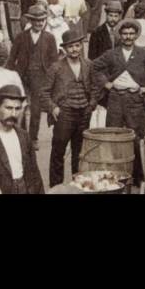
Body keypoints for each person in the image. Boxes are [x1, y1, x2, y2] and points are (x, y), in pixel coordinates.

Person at [91, 18, 145, 186]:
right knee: (114, 136)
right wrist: (106, 84)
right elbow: (94, 67)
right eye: (125, 34)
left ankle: (137, 176)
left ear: (136, 36)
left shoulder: (144, 54)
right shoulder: (112, 54)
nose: (128, 37)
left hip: (135, 100)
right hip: (115, 99)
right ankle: (116, 175)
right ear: (120, 36)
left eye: (131, 34)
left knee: (136, 138)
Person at [43, 27, 98, 187]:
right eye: (70, 46)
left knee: (79, 153)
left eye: (77, 45)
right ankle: (56, 187)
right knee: (58, 151)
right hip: (64, 113)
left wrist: (91, 104)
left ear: (81, 46)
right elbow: (43, 92)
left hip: (84, 113)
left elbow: (95, 87)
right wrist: (53, 107)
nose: (74, 49)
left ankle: (77, 185)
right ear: (65, 49)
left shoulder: (88, 65)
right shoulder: (56, 67)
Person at [7, 5, 59, 148]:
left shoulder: (49, 38)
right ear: (30, 21)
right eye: (36, 20)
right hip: (21, 76)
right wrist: (8, 75)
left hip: (40, 77)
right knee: (19, 106)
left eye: (42, 20)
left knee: (36, 109)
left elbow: (54, 61)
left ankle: (33, 138)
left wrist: (53, 78)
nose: (40, 23)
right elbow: (12, 58)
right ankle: (19, 136)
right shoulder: (21, 37)